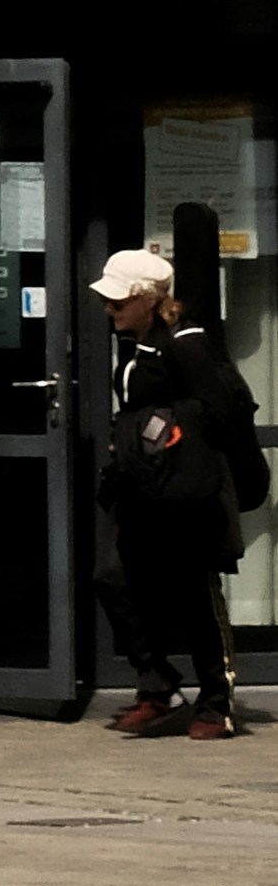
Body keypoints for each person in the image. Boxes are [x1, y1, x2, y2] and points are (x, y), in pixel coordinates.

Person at [95, 244, 266, 740]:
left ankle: (216, 703)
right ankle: (158, 686)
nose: (110, 310)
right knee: (111, 576)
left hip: (187, 490)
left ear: (148, 298)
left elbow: (222, 413)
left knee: (195, 593)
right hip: (140, 486)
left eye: (118, 302)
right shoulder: (140, 342)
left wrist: (167, 432)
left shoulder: (186, 343)